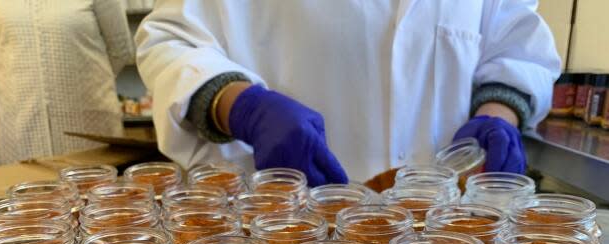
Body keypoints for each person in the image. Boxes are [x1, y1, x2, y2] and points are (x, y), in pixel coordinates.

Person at [136, 0, 561, 186]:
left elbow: (516, 47)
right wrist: (241, 105)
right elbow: (172, 41)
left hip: (441, 240)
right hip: (282, 225)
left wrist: (497, 116)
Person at [0, 0, 134, 165]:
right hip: (17, 125)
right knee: (21, 185)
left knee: (92, 184)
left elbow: (121, 49)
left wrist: (85, 80)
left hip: (87, 123)